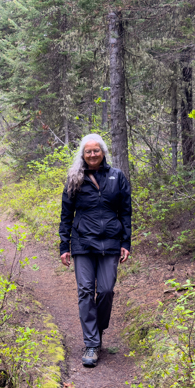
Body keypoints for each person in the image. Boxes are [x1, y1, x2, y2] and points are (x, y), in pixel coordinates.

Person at [58, 133, 132, 367]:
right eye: (88, 151)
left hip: (111, 242)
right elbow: (66, 215)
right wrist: (64, 246)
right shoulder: (74, 178)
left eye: (96, 150)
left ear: (103, 152)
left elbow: (126, 212)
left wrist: (125, 243)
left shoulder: (116, 176)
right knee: (85, 291)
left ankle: (96, 330)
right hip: (82, 243)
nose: (92, 155)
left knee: (107, 290)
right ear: (83, 154)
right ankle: (91, 343)